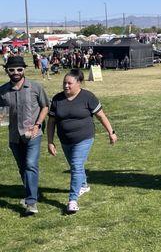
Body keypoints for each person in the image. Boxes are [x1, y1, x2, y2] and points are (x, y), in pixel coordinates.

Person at [47, 69, 118, 213]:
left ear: (78, 83)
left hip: (84, 138)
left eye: (69, 83)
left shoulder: (88, 97)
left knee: (76, 165)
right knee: (76, 166)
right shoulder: (57, 99)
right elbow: (51, 122)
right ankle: (84, 185)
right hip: (65, 140)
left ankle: (72, 200)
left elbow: (101, 116)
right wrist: (50, 141)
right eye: (64, 83)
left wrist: (111, 132)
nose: (66, 86)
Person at [0, 56, 49, 215]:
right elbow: (2, 115)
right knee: (23, 168)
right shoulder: (2, 91)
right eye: (12, 69)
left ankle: (31, 203)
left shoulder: (35, 87)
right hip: (14, 137)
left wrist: (37, 125)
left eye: (19, 69)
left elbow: (45, 107)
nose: (16, 72)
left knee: (30, 164)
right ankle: (32, 193)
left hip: (33, 135)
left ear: (24, 70)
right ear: (6, 70)